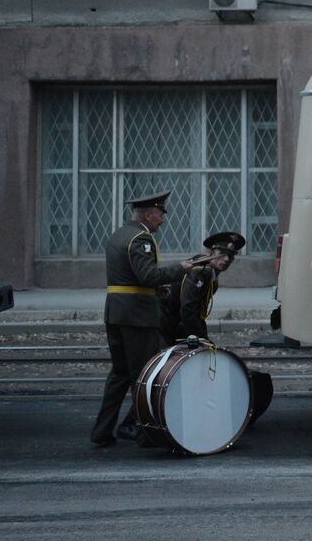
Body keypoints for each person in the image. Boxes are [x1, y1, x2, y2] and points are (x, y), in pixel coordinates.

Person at [91, 191, 192, 448]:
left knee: (120, 374)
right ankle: (145, 433)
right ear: (148, 214)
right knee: (144, 375)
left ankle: (101, 431)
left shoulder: (119, 235)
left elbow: (128, 277)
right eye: (160, 215)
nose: (162, 221)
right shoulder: (141, 239)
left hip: (116, 312)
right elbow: (148, 276)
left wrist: (157, 290)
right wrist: (180, 268)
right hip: (137, 316)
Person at [162, 232, 245, 343]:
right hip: (169, 325)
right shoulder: (200, 271)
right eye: (222, 253)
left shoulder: (208, 271)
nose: (226, 259)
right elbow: (188, 309)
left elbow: (198, 310)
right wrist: (200, 338)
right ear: (211, 253)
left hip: (174, 323)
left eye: (230, 256)